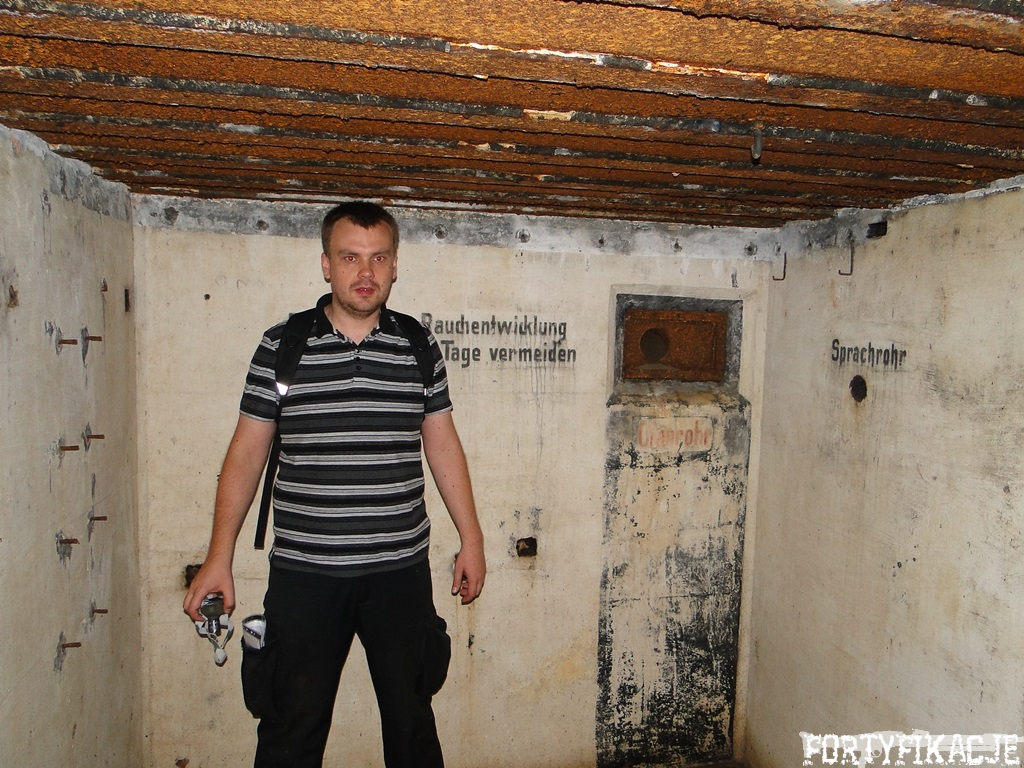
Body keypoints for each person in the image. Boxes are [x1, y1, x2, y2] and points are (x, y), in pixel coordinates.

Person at [183, 201, 486, 768]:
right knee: (290, 732)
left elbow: (442, 443)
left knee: (413, 727)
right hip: (306, 574)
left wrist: (472, 539)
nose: (365, 272)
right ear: (326, 264)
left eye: (378, 258)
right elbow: (246, 452)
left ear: (394, 266)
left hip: (399, 572)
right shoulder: (283, 346)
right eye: (350, 257)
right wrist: (218, 556)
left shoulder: (417, 346)